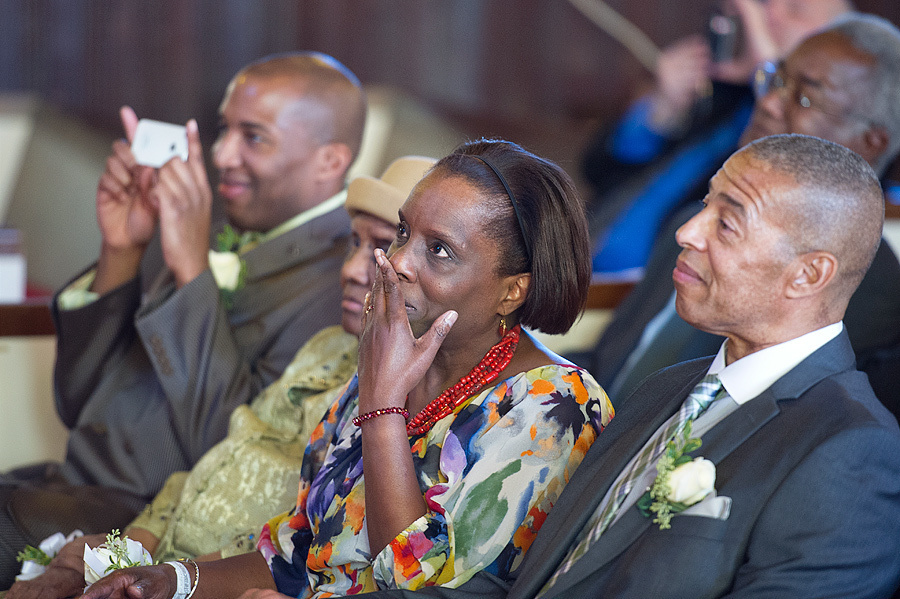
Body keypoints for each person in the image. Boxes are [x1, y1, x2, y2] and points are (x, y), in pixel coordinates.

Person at [365, 135, 900, 598]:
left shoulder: (850, 450)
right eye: (704, 204)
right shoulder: (665, 390)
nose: (688, 231)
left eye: (728, 223)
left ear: (808, 276)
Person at [77, 139, 614, 598]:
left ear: (511, 291)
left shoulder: (553, 405)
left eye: (441, 251)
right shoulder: (387, 361)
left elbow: (414, 587)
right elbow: (296, 550)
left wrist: (382, 408)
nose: (398, 261)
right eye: (404, 234)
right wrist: (168, 581)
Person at [0, 51, 367, 586]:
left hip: (139, 515)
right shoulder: (213, 227)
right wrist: (122, 250)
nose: (221, 154)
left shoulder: (342, 276)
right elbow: (77, 402)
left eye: (253, 137)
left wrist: (193, 269)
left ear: (330, 161)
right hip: (63, 484)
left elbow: (231, 453)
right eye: (224, 131)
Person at [2, 156, 438, 599]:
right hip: (161, 542)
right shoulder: (325, 346)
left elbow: (304, 534)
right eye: (354, 244)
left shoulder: (401, 386)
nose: (350, 270)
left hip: (222, 571)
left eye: (381, 249)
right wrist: (127, 551)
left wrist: (170, 576)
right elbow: (228, 447)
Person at [585, 13, 900, 409]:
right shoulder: (698, 220)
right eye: (777, 79)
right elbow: (608, 362)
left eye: (804, 97)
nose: (768, 102)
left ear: (871, 141)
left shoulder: (869, 298)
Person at [583, 0, 852, 279]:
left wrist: (769, 68)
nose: (770, 15)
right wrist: (662, 108)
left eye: (795, 10)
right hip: (588, 261)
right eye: (768, 5)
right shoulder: (721, 98)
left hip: (652, 286)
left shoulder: (814, 130)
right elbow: (598, 171)